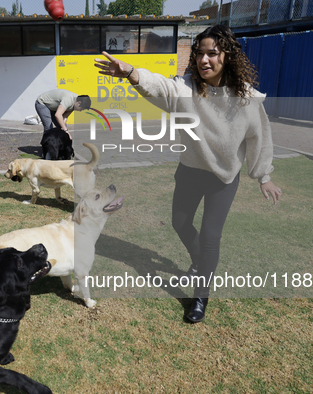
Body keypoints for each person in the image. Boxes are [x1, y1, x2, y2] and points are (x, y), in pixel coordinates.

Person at [95, 25, 282, 323]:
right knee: (180, 223)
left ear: (228, 57)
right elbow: (162, 86)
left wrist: (264, 175)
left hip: (223, 178)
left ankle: (200, 295)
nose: (204, 60)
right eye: (200, 54)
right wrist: (131, 72)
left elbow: (259, 138)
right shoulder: (187, 89)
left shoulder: (247, 99)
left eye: (212, 54)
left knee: (210, 236)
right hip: (191, 171)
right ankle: (201, 262)